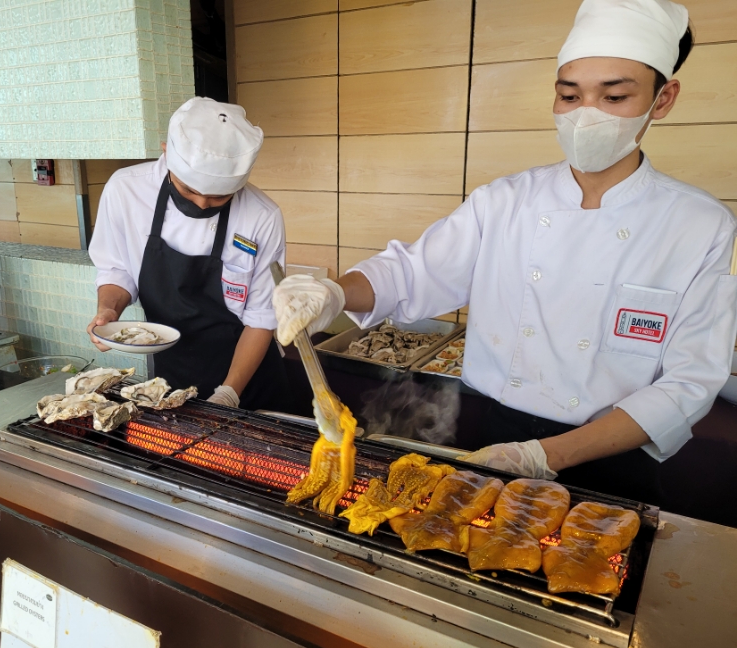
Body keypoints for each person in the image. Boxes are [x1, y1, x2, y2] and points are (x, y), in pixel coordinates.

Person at [272, 0, 737, 504]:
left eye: (615, 96)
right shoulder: (505, 201)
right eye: (569, 94)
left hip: (613, 455)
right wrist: (332, 293)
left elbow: (690, 382)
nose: (587, 115)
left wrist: (545, 456)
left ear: (662, 99)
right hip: (495, 433)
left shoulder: (698, 225)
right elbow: (411, 273)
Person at [88, 97, 291, 412]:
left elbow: (261, 319)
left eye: (219, 197)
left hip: (248, 383)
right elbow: (117, 270)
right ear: (166, 152)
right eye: (188, 190)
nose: (200, 204)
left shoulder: (262, 217)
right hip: (173, 376)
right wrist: (108, 312)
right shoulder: (126, 191)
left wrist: (228, 395)